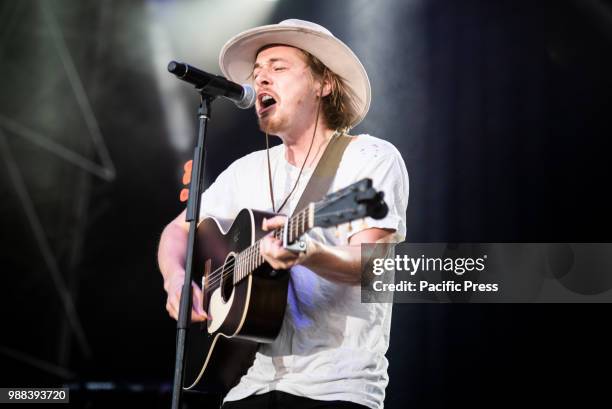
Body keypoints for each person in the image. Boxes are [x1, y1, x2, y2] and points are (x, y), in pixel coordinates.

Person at [158, 19, 409, 409]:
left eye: (278, 68)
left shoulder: (368, 157)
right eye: (257, 73)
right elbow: (176, 232)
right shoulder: (247, 170)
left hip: (336, 386)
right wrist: (176, 280)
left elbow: (371, 268)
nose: (261, 80)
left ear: (323, 84)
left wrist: (310, 254)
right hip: (248, 382)